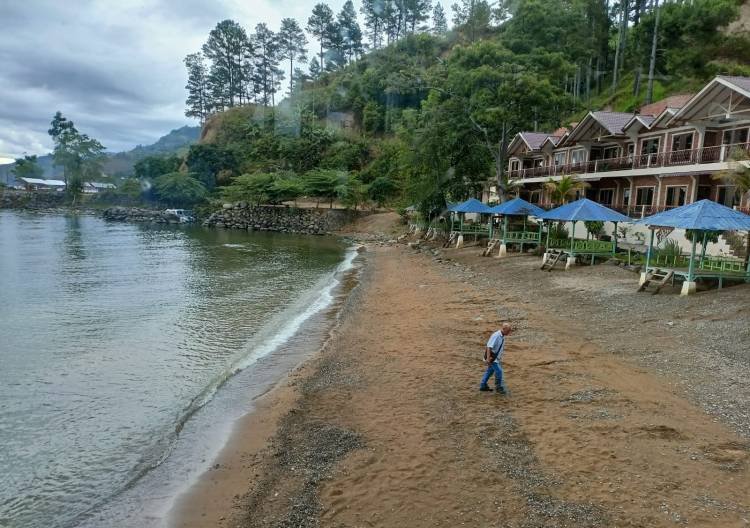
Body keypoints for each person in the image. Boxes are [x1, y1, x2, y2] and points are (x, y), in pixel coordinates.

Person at [479, 323, 512, 394]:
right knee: (499, 371)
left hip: (495, 358)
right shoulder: (496, 335)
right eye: (508, 331)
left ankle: (482, 386)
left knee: (490, 371)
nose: (509, 332)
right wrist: (488, 359)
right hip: (491, 358)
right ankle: (498, 388)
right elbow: (489, 347)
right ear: (504, 329)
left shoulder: (502, 336)